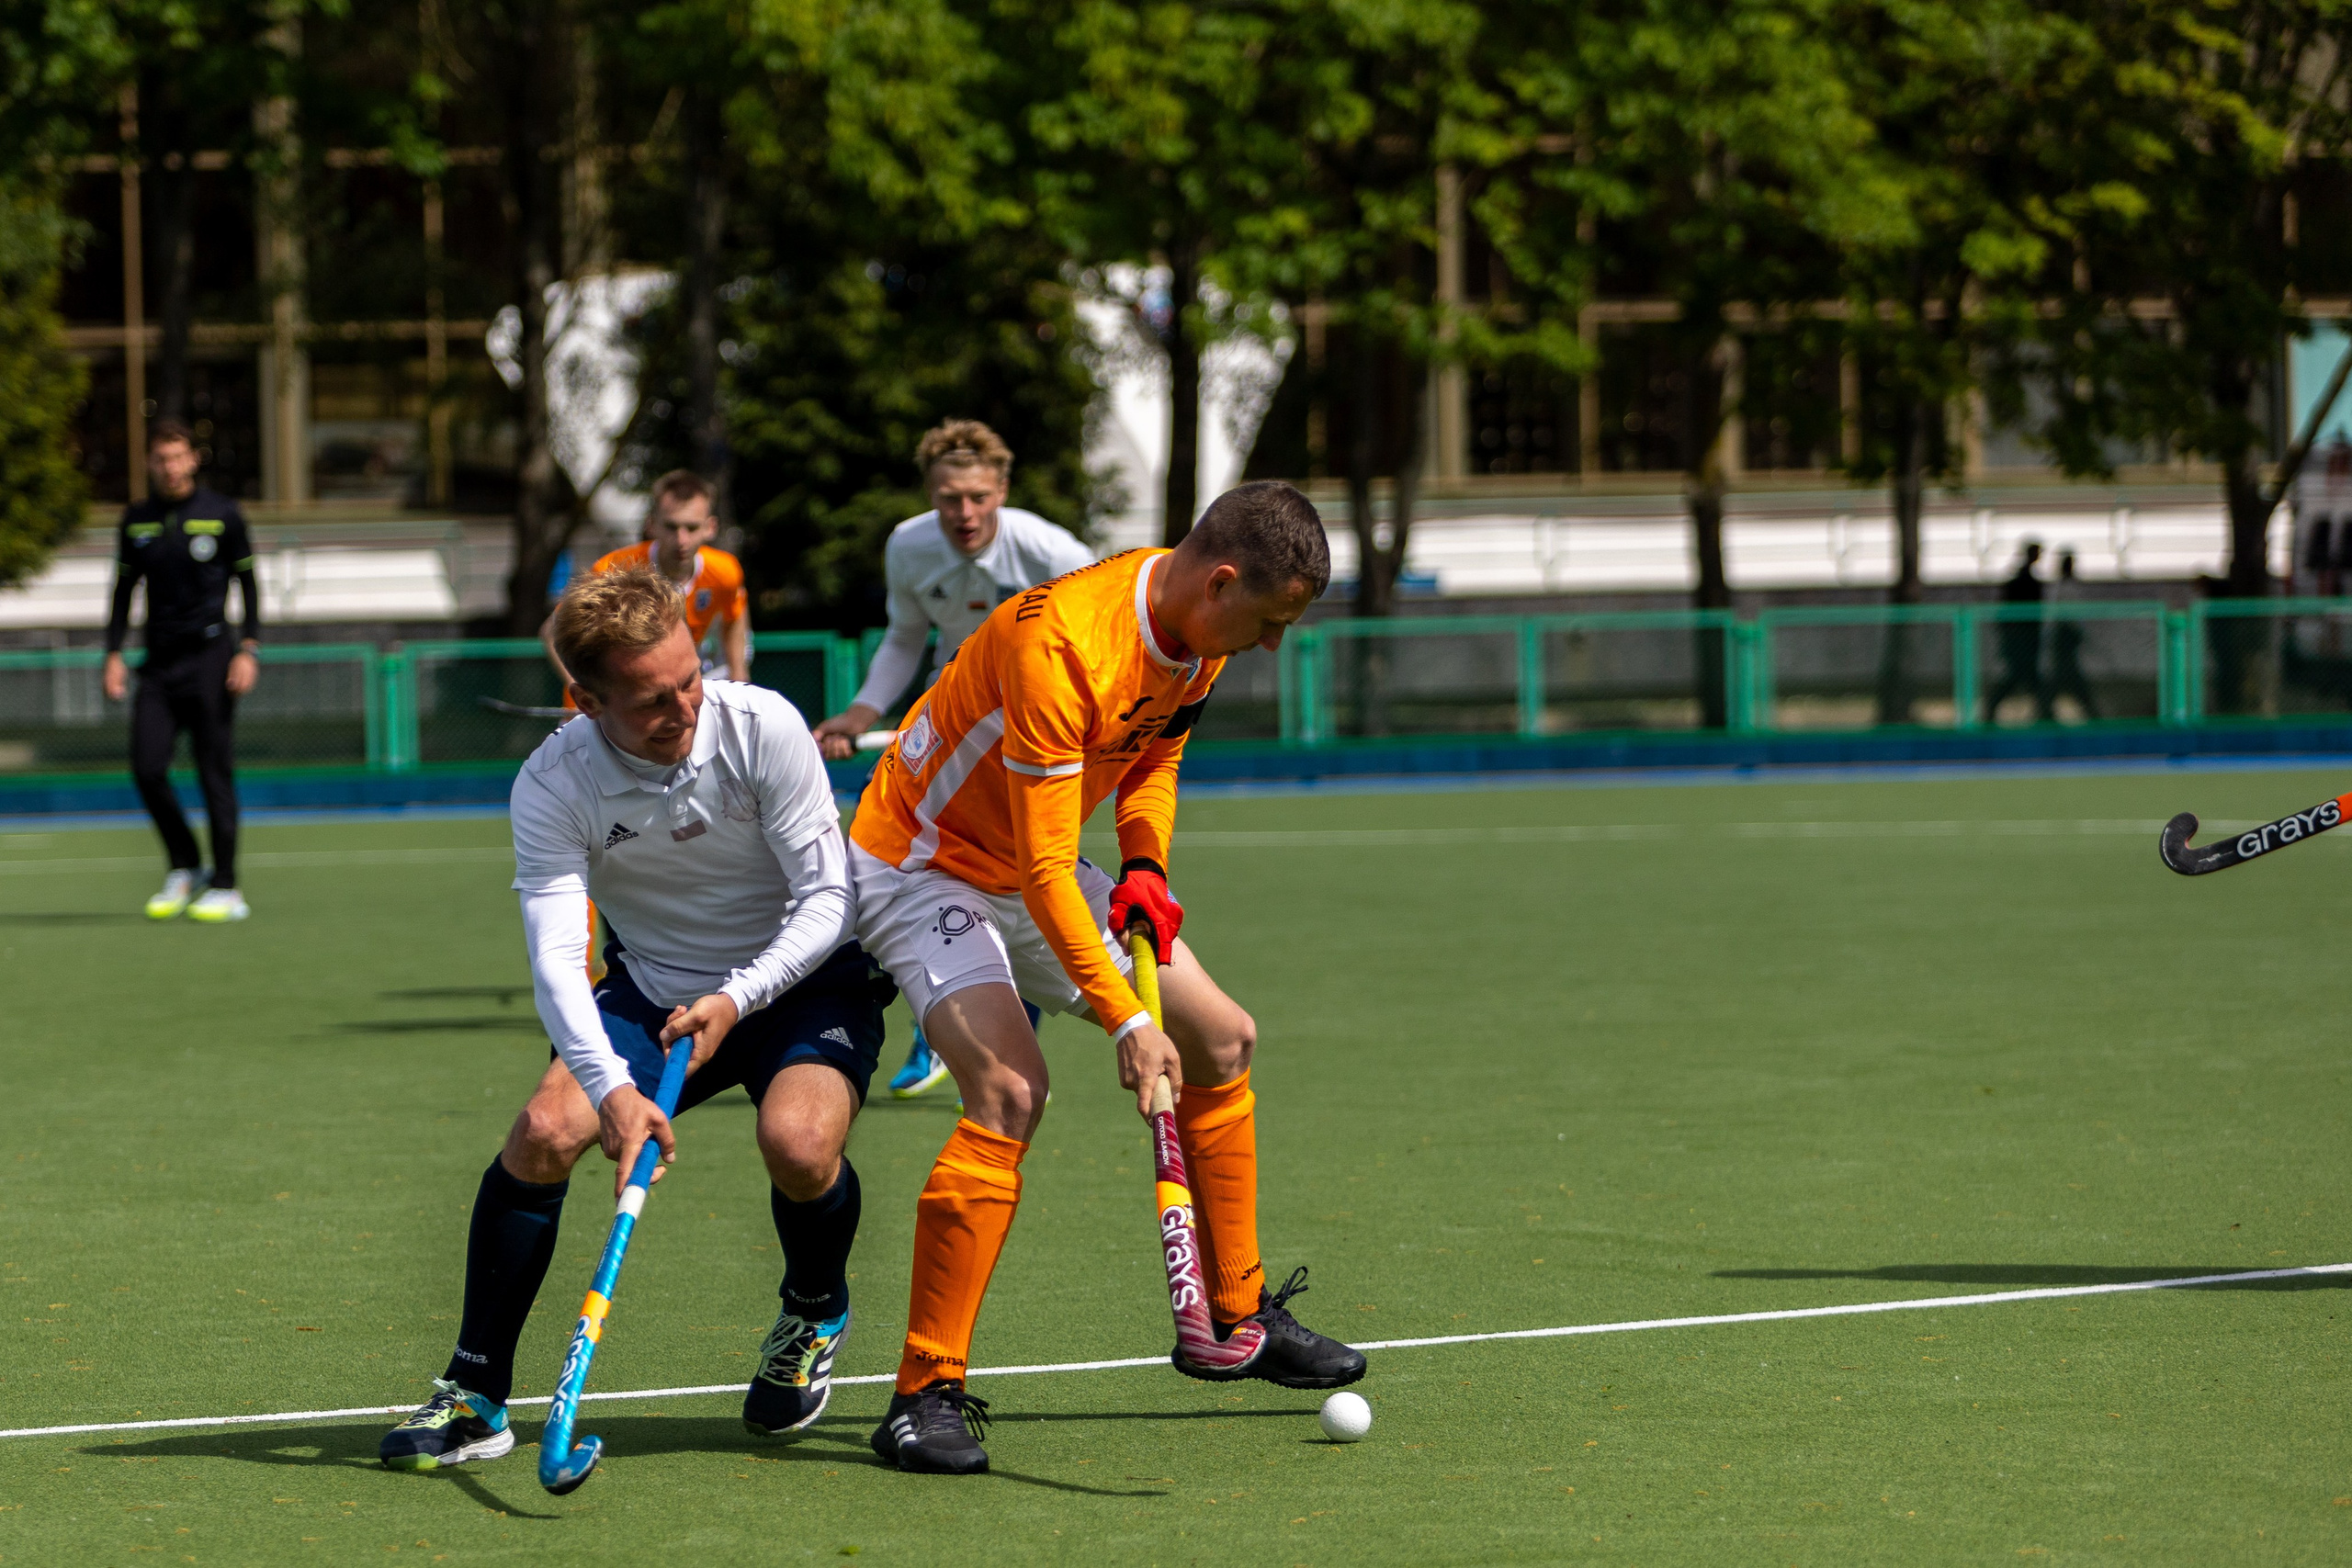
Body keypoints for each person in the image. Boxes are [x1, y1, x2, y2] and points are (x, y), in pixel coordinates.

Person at [847, 479, 1364, 1476]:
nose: (1271, 648)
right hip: (922, 860)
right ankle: (922, 1393)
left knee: (1224, 1038)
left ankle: (1236, 1314)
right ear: (1220, 581)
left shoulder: (1197, 640)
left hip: (1022, 858)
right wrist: (1129, 1022)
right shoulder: (1063, 647)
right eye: (1269, 622)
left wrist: (1143, 870)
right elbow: (1043, 873)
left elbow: (1150, 761)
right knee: (1010, 1090)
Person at [379, 569, 891, 1471]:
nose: (685, 707)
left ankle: (813, 1308)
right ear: (584, 701)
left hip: (802, 979)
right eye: (653, 699)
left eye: (690, 677)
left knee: (801, 1144)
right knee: (542, 1132)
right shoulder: (553, 784)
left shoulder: (759, 725)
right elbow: (554, 961)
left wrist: (737, 998)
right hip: (653, 995)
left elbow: (826, 900)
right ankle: (474, 1394)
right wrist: (614, 1094)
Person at [809, 420, 1093, 1100]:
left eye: (976, 497)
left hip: (1038, 729)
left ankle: (989, 1022)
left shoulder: (1053, 550)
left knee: (1023, 871)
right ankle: (937, 997)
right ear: (929, 496)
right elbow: (906, 637)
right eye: (947, 499)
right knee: (907, 858)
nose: (963, 514)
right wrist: (860, 713)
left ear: (1001, 489)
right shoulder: (909, 546)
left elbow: (1095, 634)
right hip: (949, 725)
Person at [103, 420, 261, 924]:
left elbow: (250, 586)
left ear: (193, 459)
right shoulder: (137, 520)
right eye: (161, 459)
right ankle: (185, 865)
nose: (170, 467)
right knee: (147, 769)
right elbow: (123, 593)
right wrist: (112, 654)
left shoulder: (222, 514)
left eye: (178, 457)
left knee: (214, 773)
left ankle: (227, 885)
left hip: (213, 660)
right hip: (158, 665)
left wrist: (248, 650)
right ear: (151, 464)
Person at [543, 470, 749, 685]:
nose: (681, 540)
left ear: (710, 527)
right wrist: (582, 691)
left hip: (667, 697)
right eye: (671, 526)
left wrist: (740, 677)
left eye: (692, 527)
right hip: (604, 706)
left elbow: (734, 616)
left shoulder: (726, 571)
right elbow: (552, 632)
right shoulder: (613, 570)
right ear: (652, 525)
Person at [1983, 540, 2045, 724]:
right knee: (2021, 677)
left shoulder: (2025, 579)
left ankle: (2045, 714)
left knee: (2028, 678)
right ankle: (1992, 708)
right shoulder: (2023, 581)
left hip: (2025, 638)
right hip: (2021, 639)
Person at [2044, 548, 2098, 720]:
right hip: (2066, 636)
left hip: (2067, 636)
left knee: (2063, 674)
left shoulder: (2064, 587)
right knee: (2068, 675)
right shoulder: (2064, 588)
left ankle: (2046, 709)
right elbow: (2066, 614)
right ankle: (2090, 710)